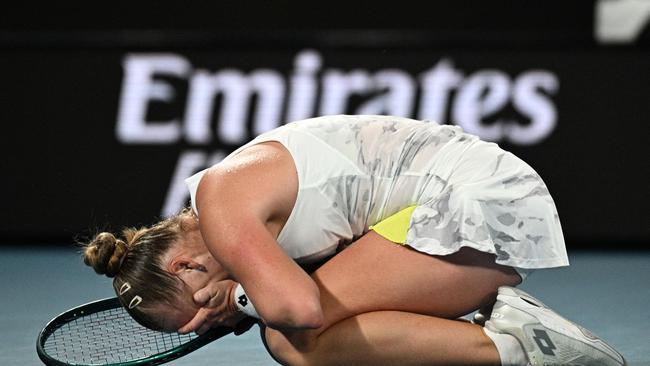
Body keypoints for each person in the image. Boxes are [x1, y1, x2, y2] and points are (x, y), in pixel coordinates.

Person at [83, 115, 626, 365]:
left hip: (477, 199)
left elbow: (298, 309)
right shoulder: (237, 215)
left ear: (182, 266)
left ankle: (528, 350)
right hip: (479, 210)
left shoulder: (221, 205)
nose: (213, 322)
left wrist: (243, 298)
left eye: (200, 311)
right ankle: (521, 335)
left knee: (291, 338)